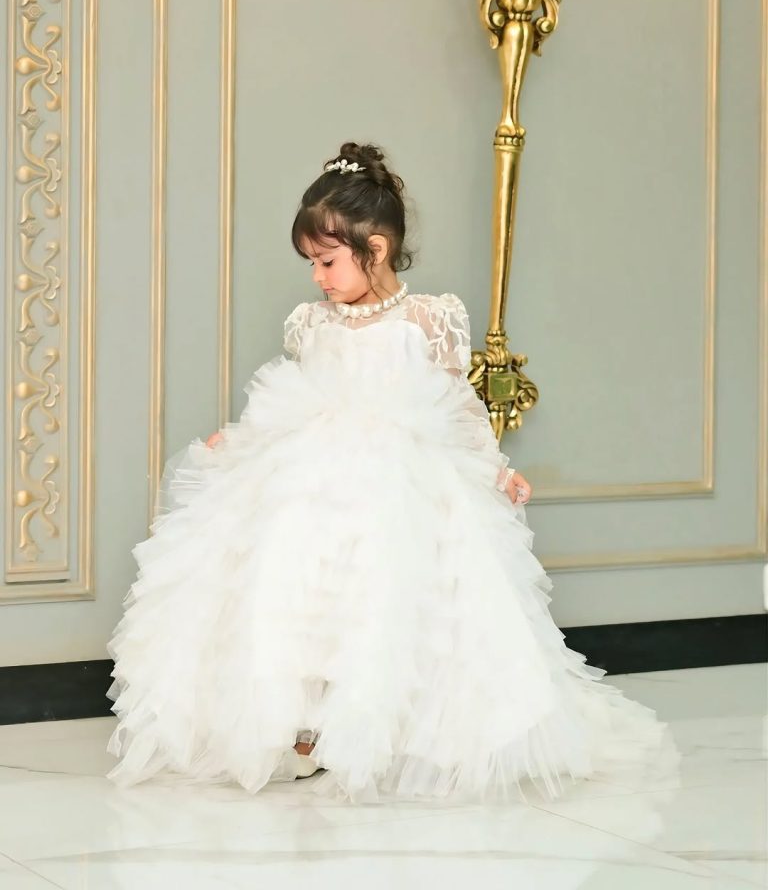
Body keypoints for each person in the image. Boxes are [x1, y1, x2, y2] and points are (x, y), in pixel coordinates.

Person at [105, 142, 680, 805]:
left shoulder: (427, 319)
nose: (317, 277)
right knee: (298, 590)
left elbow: (457, 406)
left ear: (374, 250)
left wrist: (496, 470)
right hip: (313, 479)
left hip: (400, 483)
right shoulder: (310, 324)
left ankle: (392, 734)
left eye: (327, 261)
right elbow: (289, 402)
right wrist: (235, 440)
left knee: (393, 596)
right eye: (311, 263)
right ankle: (302, 732)